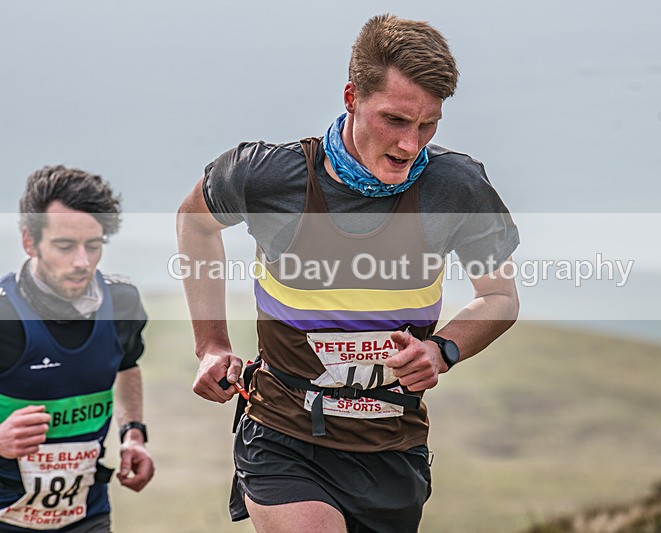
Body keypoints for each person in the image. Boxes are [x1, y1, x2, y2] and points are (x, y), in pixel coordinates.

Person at [177, 14, 519, 533]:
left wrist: (440, 351)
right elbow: (194, 221)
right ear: (352, 96)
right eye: (395, 120)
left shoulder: (456, 188)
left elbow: (499, 297)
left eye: (428, 125)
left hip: (392, 445)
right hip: (283, 436)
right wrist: (211, 344)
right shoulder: (269, 177)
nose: (411, 145)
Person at [0, 166, 155, 532]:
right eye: (65, 246)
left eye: (94, 245)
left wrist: (133, 434)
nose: (82, 262)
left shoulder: (122, 303)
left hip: (86, 516)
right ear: (30, 241)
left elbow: (127, 365)